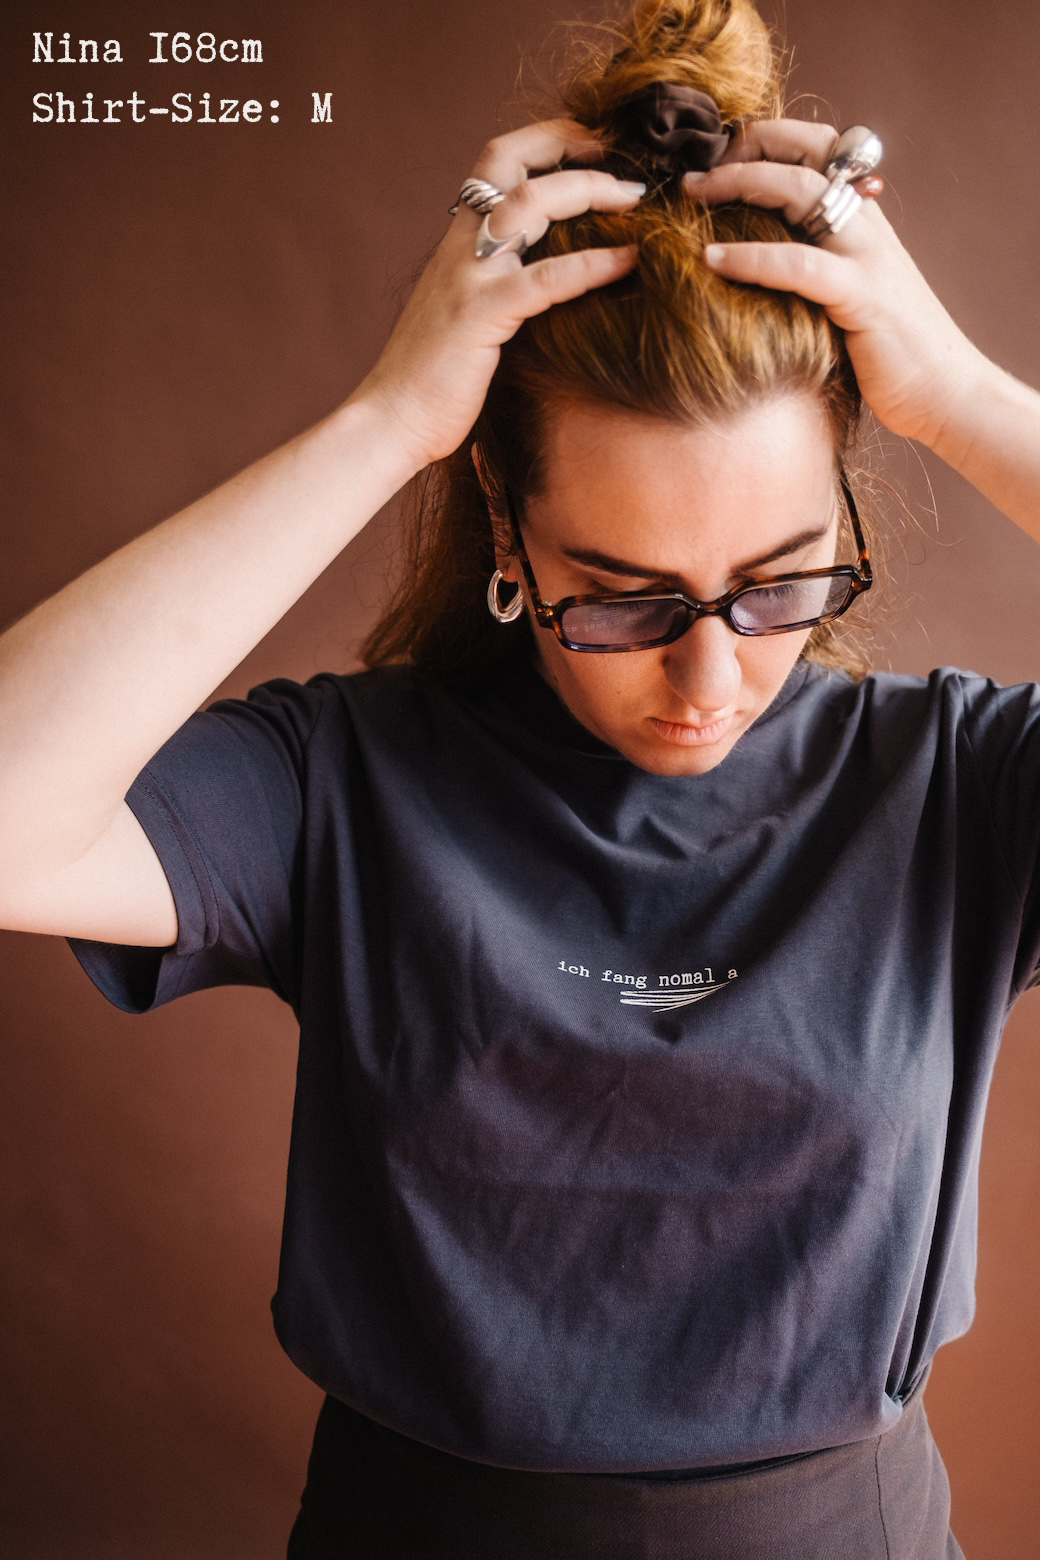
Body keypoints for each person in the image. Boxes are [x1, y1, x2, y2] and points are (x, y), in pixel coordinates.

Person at [2, 0, 1039, 1553]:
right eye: (622, 598)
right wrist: (383, 424)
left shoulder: (958, 781)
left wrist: (956, 394)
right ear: (507, 525)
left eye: (779, 583)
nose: (709, 680)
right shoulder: (340, 781)